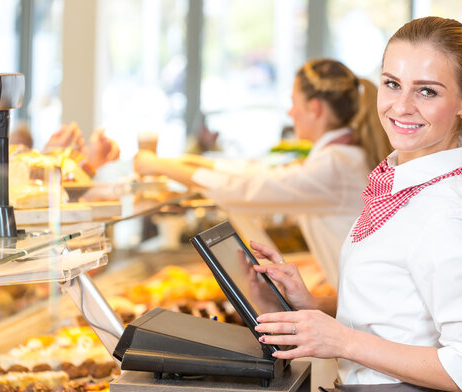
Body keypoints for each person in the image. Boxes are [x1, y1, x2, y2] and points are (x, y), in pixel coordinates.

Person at [249, 17, 462, 392]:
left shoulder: (448, 215)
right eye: (392, 84)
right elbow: (401, 310)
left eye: (427, 92)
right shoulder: (405, 184)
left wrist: (343, 341)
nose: (401, 107)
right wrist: (313, 303)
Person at [134, 60, 393, 289]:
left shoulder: (335, 165)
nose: (290, 113)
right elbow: (258, 174)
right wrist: (193, 162)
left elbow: (250, 188)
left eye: (293, 103)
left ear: (314, 108)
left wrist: (158, 166)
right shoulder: (342, 156)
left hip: (371, 304)